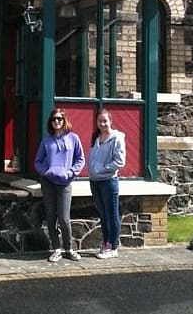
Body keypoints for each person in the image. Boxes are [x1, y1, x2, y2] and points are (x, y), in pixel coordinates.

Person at [34, 108, 85, 262]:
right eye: (53, 119)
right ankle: (56, 248)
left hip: (65, 183)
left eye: (59, 119)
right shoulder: (46, 140)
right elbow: (38, 161)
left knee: (64, 218)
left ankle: (69, 249)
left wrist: (70, 173)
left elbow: (80, 159)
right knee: (51, 217)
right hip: (48, 183)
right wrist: (45, 172)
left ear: (64, 120)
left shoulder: (73, 138)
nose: (56, 122)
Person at [88, 108, 126, 259]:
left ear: (110, 121)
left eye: (105, 120)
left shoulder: (117, 138)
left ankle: (113, 246)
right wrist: (93, 171)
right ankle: (106, 244)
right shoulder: (96, 137)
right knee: (103, 215)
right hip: (95, 181)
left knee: (111, 214)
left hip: (108, 181)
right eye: (99, 121)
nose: (102, 124)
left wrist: (103, 170)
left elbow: (120, 161)